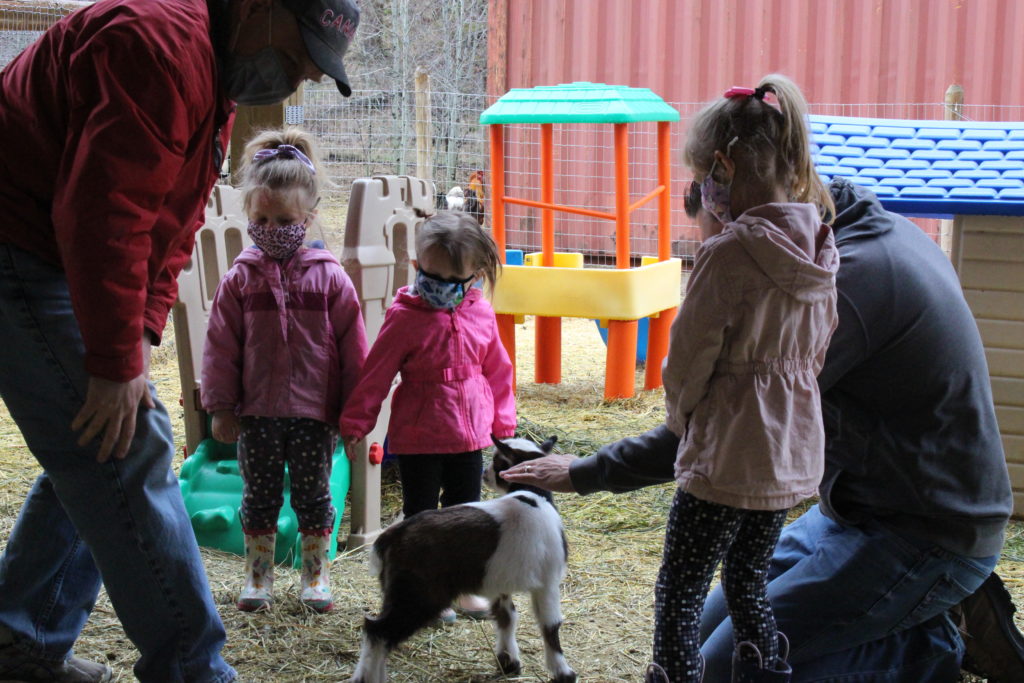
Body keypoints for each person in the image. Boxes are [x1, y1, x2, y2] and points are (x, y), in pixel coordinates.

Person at [502, 172, 1019, 681]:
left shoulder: (834, 289)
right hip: (853, 509)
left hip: (926, 533)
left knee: (730, 669)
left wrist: (586, 471)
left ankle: (933, 644)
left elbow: (723, 423)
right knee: (705, 639)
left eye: (725, 247)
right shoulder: (833, 234)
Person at [0, 0, 359, 679]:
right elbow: (103, 212)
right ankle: (192, 667)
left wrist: (135, 332)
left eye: (306, 75)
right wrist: (111, 363)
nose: (291, 84)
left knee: (103, 440)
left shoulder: (209, 72)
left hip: (45, 244)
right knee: (125, 444)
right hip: (18, 238)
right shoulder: (157, 47)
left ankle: (22, 637)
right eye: (292, 60)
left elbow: (173, 221)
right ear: (259, 8)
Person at [643, 76, 840, 682]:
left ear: (723, 168)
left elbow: (688, 357)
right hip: (789, 455)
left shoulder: (727, 254)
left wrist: (681, 420)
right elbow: (820, 351)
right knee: (750, 581)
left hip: (727, 456)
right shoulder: (824, 248)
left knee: (679, 592)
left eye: (704, 178)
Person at [200, 128, 367, 614]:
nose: (273, 227)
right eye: (262, 218)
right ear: (249, 217)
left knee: (315, 498)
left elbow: (355, 349)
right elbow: (219, 348)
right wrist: (220, 406)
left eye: (286, 219)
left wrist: (354, 416)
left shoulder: (330, 277)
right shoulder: (240, 278)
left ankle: (315, 577)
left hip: (315, 415)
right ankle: (258, 578)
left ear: (309, 218)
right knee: (259, 496)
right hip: (257, 414)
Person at [340, 210, 516, 621]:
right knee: (422, 517)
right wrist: (356, 423)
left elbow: (499, 370)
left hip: (469, 436)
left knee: (467, 514)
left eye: (458, 281)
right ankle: (424, 591)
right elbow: (376, 373)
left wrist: (503, 425)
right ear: (418, 266)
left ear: (476, 275)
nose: (446, 289)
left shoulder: (480, 312)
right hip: (419, 436)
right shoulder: (403, 318)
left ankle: (463, 587)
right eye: (435, 278)